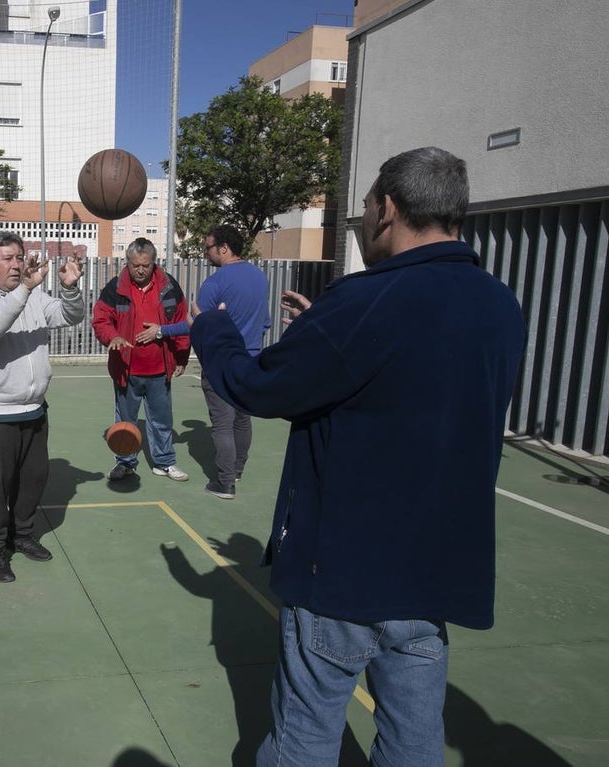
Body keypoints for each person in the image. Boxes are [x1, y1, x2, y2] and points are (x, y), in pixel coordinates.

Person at [191, 147, 527, 765]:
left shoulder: (370, 298)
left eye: (367, 204)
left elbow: (260, 387)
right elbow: (412, 379)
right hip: (433, 579)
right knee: (413, 740)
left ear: (388, 208)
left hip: (345, 575)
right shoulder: (498, 305)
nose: (365, 215)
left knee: (304, 741)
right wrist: (327, 332)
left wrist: (211, 331)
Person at [0, 231, 85, 583]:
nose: (17, 264)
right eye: (7, 258)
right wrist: (25, 290)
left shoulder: (34, 296)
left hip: (33, 408)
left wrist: (71, 289)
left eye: (19, 256)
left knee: (33, 478)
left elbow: (69, 316)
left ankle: (23, 534)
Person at [92, 237, 190, 483]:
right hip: (127, 369)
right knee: (125, 422)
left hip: (159, 368)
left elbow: (182, 322)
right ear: (127, 262)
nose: (140, 270)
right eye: (135, 265)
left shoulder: (169, 287)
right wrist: (112, 336)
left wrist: (181, 354)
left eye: (145, 265)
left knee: (162, 420)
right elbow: (101, 319)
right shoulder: (116, 288)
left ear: (153, 263)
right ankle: (125, 463)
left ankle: (164, 462)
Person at [193, 225, 269, 499]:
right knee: (242, 420)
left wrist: (162, 330)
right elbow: (266, 322)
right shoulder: (260, 278)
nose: (206, 253)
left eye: (208, 248)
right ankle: (237, 470)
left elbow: (199, 325)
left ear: (223, 247)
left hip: (221, 363)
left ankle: (225, 483)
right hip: (251, 361)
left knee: (223, 424)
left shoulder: (215, 283)